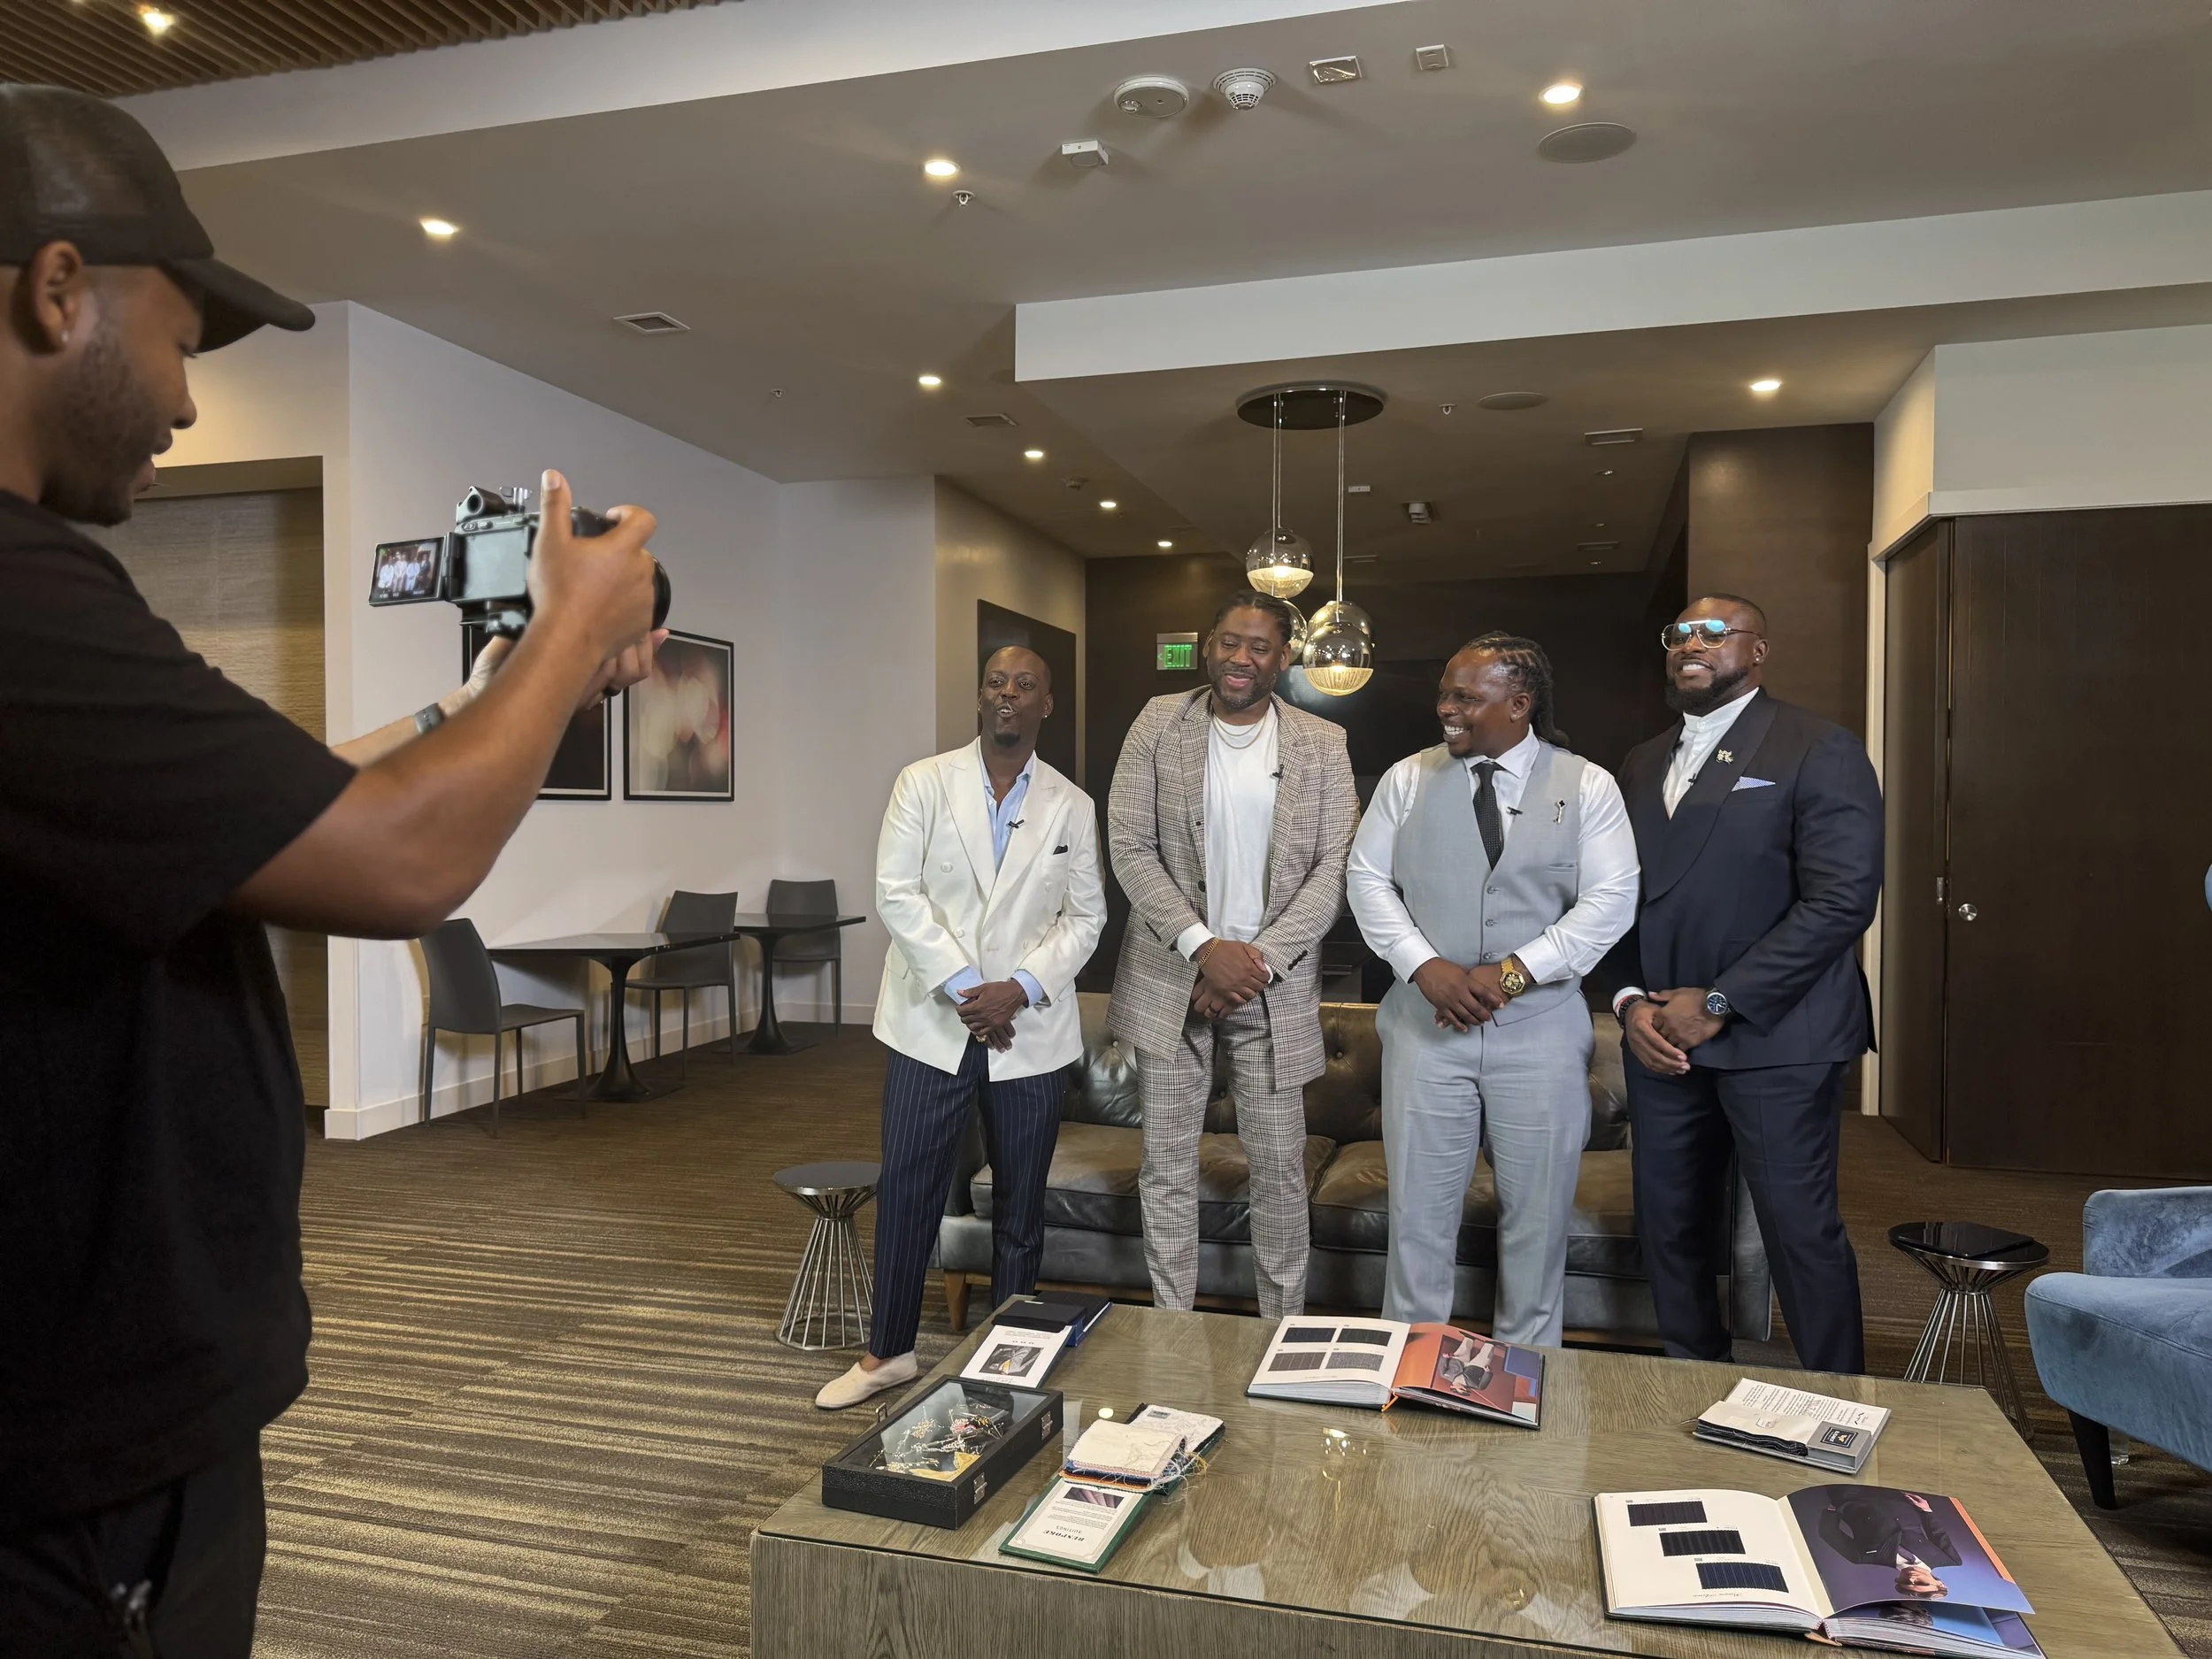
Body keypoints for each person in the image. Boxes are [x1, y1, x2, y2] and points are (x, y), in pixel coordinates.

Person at [0, 85, 664, 1655]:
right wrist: (571, 625)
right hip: (71, 1481)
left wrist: (494, 694)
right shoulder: (20, 597)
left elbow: (277, 805)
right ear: (57, 290)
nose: (180, 402)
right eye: (181, 340)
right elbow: (400, 860)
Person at [814, 647, 1104, 1409]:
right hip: (931, 1022)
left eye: (1025, 686)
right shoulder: (923, 782)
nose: (1008, 695)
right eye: (997, 683)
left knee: (1020, 1202)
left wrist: (1020, 989)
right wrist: (973, 990)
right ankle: (888, 1353)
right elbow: (897, 892)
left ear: (1047, 704)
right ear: (981, 697)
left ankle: (1008, 1353)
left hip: (1027, 1031)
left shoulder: (1073, 804)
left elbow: (1087, 917)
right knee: (909, 1189)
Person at [1603, 595, 1883, 1374]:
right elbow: (1616, 897)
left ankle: (1836, 1397)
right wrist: (1629, 1004)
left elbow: (1842, 899)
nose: (1693, 642)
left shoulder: (1817, 746)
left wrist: (1721, 1001)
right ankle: (1689, 1379)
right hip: (1661, 1037)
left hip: (1776, 1034)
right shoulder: (1641, 760)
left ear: (1757, 651)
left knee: (1799, 1231)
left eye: (1715, 632)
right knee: (1671, 1226)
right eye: (1680, 632)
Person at [1347, 634, 1637, 1344]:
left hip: (1539, 1032)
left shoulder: (1589, 784)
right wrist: (1424, 965)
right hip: (1424, 1029)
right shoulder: (1406, 778)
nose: (1446, 708)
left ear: (1519, 703)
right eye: (1445, 693)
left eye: (1465, 697)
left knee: (1537, 1223)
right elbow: (1366, 878)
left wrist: (1512, 973)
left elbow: (1610, 901)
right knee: (1418, 1217)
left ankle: (1527, 1371)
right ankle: (1409, 1369)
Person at [1106, 590, 1357, 1319]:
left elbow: (1333, 872)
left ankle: (1282, 1329)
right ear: (1208, 645)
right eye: (1228, 642)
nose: (1240, 658)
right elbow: (1129, 844)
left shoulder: (1322, 743)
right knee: (1166, 1169)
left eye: (1258, 647)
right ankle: (1173, 1327)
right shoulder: (1159, 722)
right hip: (1170, 980)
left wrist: (1253, 963)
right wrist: (1202, 948)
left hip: (1268, 990)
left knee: (1279, 1169)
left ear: (1284, 658)